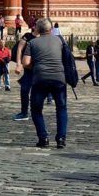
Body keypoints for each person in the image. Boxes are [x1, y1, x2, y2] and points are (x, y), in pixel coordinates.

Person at [23, 18, 68, 148]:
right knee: (61, 108)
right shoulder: (60, 40)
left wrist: (37, 65)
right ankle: (61, 138)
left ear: (37, 29)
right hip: (59, 77)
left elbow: (26, 63)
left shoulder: (33, 42)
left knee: (36, 109)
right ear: (51, 29)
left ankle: (43, 138)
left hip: (40, 78)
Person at [12, 31, 34, 121]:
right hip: (28, 68)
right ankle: (24, 112)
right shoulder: (27, 36)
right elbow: (19, 50)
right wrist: (19, 64)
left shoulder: (45, 36)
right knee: (24, 89)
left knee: (38, 91)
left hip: (39, 68)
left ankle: (35, 111)